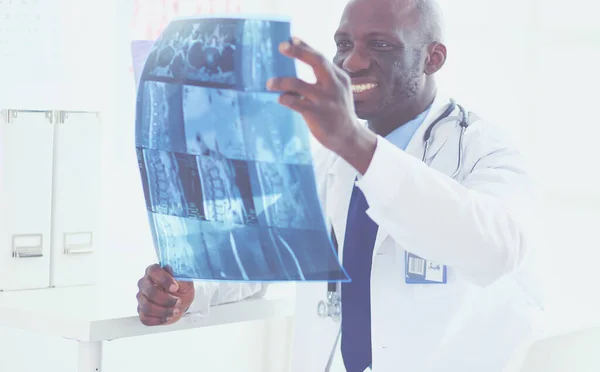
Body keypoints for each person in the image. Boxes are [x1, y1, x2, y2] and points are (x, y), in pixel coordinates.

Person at [136, 0, 543, 370]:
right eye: (343, 43)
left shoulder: (483, 146)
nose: (352, 62)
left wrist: (354, 141)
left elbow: (497, 249)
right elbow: (269, 247)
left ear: (432, 58)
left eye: (381, 45)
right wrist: (188, 287)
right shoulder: (334, 159)